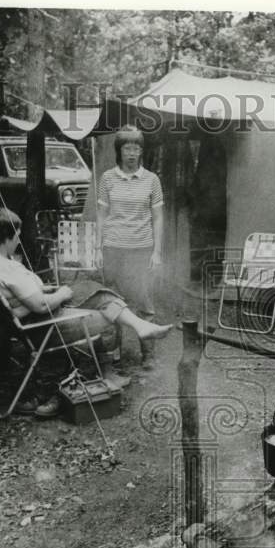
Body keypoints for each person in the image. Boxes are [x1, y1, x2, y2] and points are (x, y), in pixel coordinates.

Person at [0, 208, 172, 412]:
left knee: (98, 294)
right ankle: (111, 363)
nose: (18, 238)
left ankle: (138, 329)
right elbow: (41, 305)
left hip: (31, 324)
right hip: (44, 328)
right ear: (4, 237)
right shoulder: (7, 269)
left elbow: (20, 302)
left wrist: (44, 293)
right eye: (16, 233)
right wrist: (61, 293)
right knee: (107, 313)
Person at [96, 125, 165, 370]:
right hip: (113, 248)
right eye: (127, 147)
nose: (132, 153)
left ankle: (148, 354)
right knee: (112, 301)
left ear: (142, 151)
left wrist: (156, 252)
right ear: (120, 150)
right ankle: (113, 354)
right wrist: (98, 248)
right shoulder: (107, 178)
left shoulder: (152, 180)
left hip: (141, 249)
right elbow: (102, 216)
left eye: (136, 147)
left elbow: (157, 218)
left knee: (144, 301)